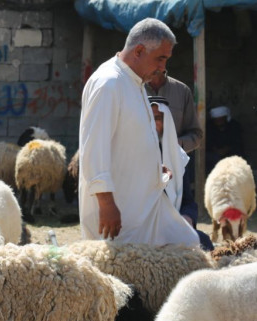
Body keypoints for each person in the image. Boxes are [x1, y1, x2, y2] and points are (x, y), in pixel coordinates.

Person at [79, 18, 199, 247]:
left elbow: (129, 140)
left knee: (189, 244)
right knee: (124, 274)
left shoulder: (134, 83)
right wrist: (106, 204)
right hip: (119, 213)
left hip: (145, 206)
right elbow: (93, 149)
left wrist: (152, 166)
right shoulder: (109, 84)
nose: (163, 67)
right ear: (140, 51)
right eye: (160, 58)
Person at [149, 96, 213, 251]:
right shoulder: (132, 154)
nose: (153, 123)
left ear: (167, 123)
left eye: (157, 118)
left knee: (203, 242)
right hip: (144, 227)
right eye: (149, 118)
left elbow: (187, 200)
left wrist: (187, 218)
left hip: (173, 225)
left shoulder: (179, 157)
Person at [145, 71, 202, 153]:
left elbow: (196, 134)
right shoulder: (133, 89)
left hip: (175, 161)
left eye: (160, 59)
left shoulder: (182, 91)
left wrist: (175, 145)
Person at [205, 106, 244, 174]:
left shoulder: (234, 125)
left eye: (221, 119)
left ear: (225, 118)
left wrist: (227, 149)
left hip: (231, 152)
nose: (218, 122)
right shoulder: (209, 126)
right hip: (214, 153)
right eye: (216, 120)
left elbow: (237, 141)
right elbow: (208, 141)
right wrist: (216, 150)